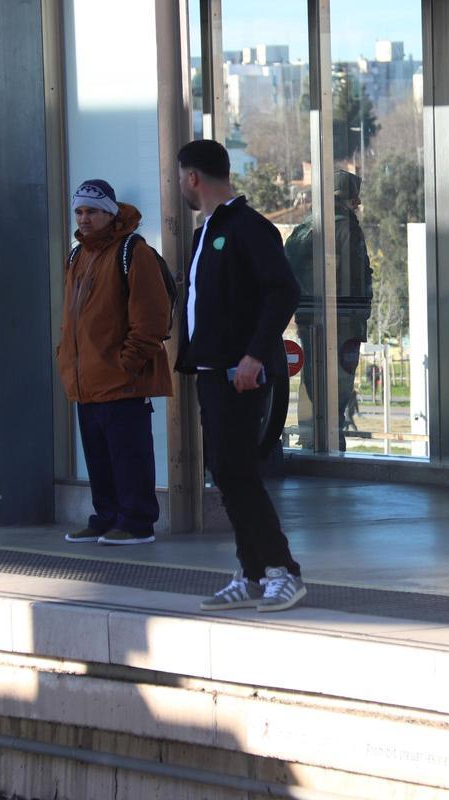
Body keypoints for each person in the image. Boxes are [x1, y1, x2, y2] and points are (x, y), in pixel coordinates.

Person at [176, 139, 305, 612]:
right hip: (211, 372)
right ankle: (252, 573)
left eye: (181, 178)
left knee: (239, 474)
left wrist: (254, 355)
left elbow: (283, 291)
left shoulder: (249, 228)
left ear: (193, 177)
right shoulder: (205, 232)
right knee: (227, 475)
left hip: (240, 374)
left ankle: (282, 570)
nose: (180, 187)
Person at [57, 179, 172, 546]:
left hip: (121, 379)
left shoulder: (132, 251)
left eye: (92, 211)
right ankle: (106, 516)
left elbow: (152, 317)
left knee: (129, 457)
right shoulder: (78, 255)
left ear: (109, 213)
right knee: (100, 458)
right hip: (87, 378)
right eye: (79, 211)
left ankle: (137, 522)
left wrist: (128, 364)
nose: (84, 218)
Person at [286, 170, 373, 450]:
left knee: (312, 377)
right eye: (354, 197)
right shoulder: (345, 228)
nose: (357, 204)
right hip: (344, 319)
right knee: (340, 381)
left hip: (309, 318)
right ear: (344, 197)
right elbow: (356, 276)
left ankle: (311, 437)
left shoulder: (304, 229)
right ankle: (330, 439)